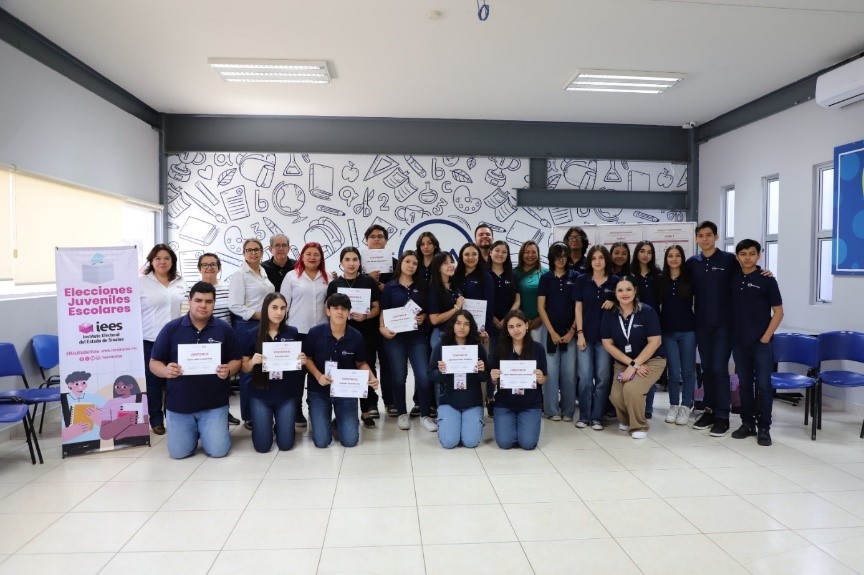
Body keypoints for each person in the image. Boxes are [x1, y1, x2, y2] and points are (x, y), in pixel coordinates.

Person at [686, 221, 771, 437]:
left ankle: (723, 416)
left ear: (716, 236)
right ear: (696, 238)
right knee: (706, 369)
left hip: (724, 326)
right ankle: (709, 411)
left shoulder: (728, 260)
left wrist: (764, 273)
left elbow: (747, 271)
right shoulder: (692, 263)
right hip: (702, 324)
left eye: (709, 235)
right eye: (700, 235)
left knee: (719, 369)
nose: (704, 239)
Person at [149, 281, 242, 459]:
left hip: (214, 404)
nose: (203, 305)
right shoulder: (171, 328)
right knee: (179, 453)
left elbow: (237, 359)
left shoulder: (224, 329)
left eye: (208, 301)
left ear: (214, 303)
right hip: (180, 405)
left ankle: (208, 430)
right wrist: (166, 370)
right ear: (189, 301)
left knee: (218, 451)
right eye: (198, 300)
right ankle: (194, 432)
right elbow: (154, 362)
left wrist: (229, 369)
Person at [302, 293, 379, 448]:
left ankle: (340, 420)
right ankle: (323, 419)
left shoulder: (356, 336)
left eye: (344, 309)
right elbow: (307, 359)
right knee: (322, 442)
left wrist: (371, 376)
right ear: (328, 311)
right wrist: (318, 376)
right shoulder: (315, 333)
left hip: (346, 391)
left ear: (349, 312)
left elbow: (361, 363)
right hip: (319, 391)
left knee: (350, 441)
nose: (340, 312)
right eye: (335, 308)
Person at [729, 239, 783, 447]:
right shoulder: (733, 277)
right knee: (744, 385)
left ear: (759, 255)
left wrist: (766, 337)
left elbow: (778, 312)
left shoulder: (767, 279)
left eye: (752, 253)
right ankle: (747, 423)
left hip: (761, 343)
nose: (747, 258)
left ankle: (764, 428)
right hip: (739, 342)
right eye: (743, 254)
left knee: (763, 385)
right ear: (737, 257)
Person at [601, 276, 667, 440]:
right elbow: (608, 344)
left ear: (635, 291)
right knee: (615, 396)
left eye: (628, 289)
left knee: (632, 389)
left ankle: (639, 425)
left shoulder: (647, 311)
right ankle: (626, 420)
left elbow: (655, 341)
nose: (625, 293)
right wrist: (632, 364)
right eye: (620, 290)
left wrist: (635, 365)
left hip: (651, 360)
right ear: (615, 293)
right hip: (624, 362)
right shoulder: (610, 314)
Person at [241, 292, 306, 452]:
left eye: (283, 308)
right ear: (266, 309)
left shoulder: (292, 332)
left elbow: (297, 362)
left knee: (286, 445)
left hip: (286, 394)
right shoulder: (252, 334)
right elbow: (244, 367)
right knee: (262, 447)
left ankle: (281, 427)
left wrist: (301, 359)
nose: (279, 312)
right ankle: (265, 426)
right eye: (274, 308)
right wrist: (252, 362)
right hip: (260, 394)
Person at [327, 247, 381, 427]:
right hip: (341, 334)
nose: (351, 263)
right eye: (347, 259)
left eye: (355, 259)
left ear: (360, 262)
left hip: (366, 333)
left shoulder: (368, 281)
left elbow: (376, 307)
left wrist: (366, 316)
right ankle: (340, 413)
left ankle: (366, 411)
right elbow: (328, 309)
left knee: (365, 368)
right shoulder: (334, 284)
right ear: (341, 262)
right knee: (341, 370)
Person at [380, 251, 433, 431]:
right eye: (408, 261)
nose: (411, 265)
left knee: (423, 377)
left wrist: (423, 317)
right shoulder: (390, 286)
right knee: (398, 377)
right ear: (401, 263)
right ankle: (402, 413)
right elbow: (383, 312)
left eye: (415, 263)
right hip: (395, 338)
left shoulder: (423, 285)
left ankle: (425, 415)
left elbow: (428, 311)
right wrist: (382, 329)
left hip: (417, 337)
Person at [229, 238, 275, 430]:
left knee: (263, 368)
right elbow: (234, 305)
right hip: (248, 325)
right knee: (248, 371)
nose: (253, 253)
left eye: (256, 249)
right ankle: (248, 415)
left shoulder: (262, 272)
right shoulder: (240, 275)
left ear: (262, 252)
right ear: (244, 253)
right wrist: (259, 315)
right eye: (249, 250)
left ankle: (262, 411)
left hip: (264, 325)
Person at [140, 243, 186, 435]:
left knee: (174, 379)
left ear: (172, 261)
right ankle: (156, 420)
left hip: (175, 339)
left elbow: (185, 307)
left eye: (166, 258)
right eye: (158, 258)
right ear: (151, 261)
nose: (162, 262)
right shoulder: (141, 283)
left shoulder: (180, 281)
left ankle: (173, 417)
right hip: (150, 338)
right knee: (153, 382)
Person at [428, 311, 488, 448]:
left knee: (471, 442)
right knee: (449, 442)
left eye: (466, 324)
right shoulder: (442, 346)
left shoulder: (477, 347)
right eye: (458, 323)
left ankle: (466, 423)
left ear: (471, 327)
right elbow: (431, 374)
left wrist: (482, 370)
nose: (462, 327)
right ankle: (451, 423)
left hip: (472, 401)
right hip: (449, 400)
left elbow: (485, 377)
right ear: (453, 326)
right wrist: (441, 372)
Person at [489, 310, 547, 450]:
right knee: (505, 443)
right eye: (511, 327)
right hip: (505, 403)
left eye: (519, 325)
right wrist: (493, 377)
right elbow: (494, 380)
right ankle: (512, 425)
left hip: (530, 404)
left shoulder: (538, 349)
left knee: (528, 443)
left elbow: (544, 378)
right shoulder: (499, 349)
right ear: (507, 330)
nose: (516, 330)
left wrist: (541, 378)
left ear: (526, 326)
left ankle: (522, 426)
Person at [574, 245, 617, 430]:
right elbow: (578, 308)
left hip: (606, 340)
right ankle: (584, 416)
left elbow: (625, 301)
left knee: (602, 378)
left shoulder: (614, 281)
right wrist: (580, 333)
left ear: (606, 260)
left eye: (601, 257)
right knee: (585, 377)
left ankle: (597, 417)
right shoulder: (582, 280)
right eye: (594, 258)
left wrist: (614, 301)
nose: (597, 261)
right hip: (585, 336)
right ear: (589, 261)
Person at [196, 252, 239, 425]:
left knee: (223, 377)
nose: (209, 268)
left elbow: (233, 314)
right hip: (199, 341)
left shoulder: (228, 289)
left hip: (223, 339)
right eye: (205, 265)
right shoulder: (192, 290)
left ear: (219, 268)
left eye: (213, 264)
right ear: (199, 268)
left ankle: (224, 412)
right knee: (202, 379)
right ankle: (201, 412)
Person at [537, 242, 578, 421]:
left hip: (571, 333)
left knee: (569, 372)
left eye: (563, 256)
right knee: (551, 372)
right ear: (551, 258)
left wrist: (572, 332)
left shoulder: (576, 277)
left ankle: (568, 411)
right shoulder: (546, 278)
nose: (560, 260)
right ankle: (551, 410)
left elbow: (579, 307)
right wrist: (552, 331)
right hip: (550, 331)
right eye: (557, 256)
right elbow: (541, 307)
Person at [658, 245, 697, 426]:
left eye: (677, 255)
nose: (674, 259)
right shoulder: (661, 280)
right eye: (670, 256)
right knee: (673, 371)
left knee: (688, 371)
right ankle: (674, 405)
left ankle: (686, 405)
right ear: (666, 259)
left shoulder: (690, 279)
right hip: (668, 332)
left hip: (688, 330)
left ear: (682, 258)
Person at [364, 224, 397, 416]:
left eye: (380, 236)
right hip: (365, 323)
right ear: (366, 241)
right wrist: (366, 279)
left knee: (388, 363)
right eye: (372, 236)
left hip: (389, 321)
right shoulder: (358, 262)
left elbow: (402, 289)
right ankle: (371, 403)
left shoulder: (395, 263)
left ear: (386, 241)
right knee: (367, 362)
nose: (376, 239)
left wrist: (386, 287)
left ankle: (391, 401)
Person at [487, 240, 521, 415]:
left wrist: (507, 318)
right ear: (490, 252)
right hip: (490, 326)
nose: (500, 254)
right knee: (491, 361)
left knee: (507, 361)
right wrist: (492, 317)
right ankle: (490, 398)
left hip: (509, 326)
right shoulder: (484, 273)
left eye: (504, 252)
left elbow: (517, 299)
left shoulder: (512, 274)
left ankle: (505, 396)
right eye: (497, 250)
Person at [630, 240, 661, 418]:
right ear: (637, 253)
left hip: (652, 326)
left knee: (649, 366)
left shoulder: (658, 275)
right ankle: (634, 405)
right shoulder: (630, 274)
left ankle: (648, 407)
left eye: (649, 252)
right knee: (634, 364)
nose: (645, 255)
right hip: (632, 326)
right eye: (642, 251)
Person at [453, 242, 494, 341]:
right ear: (461, 256)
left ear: (479, 256)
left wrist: (486, 329)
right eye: (467, 254)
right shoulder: (454, 275)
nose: (470, 257)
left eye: (474, 254)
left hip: (477, 327)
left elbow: (489, 305)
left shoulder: (486, 277)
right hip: (456, 326)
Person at [427, 251, 464, 353]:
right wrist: (456, 308)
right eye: (445, 263)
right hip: (441, 335)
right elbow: (434, 319)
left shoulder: (454, 286)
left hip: (457, 335)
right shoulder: (433, 289)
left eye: (451, 262)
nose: (450, 265)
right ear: (438, 268)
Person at [60, 371, 106, 455]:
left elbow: (108, 418)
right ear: (70, 384)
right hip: (73, 442)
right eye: (77, 384)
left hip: (95, 439)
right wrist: (69, 432)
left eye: (83, 383)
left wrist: (99, 418)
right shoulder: (65, 399)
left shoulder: (95, 398)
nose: (81, 386)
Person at [99, 375, 150, 448]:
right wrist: (127, 419)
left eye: (123, 386)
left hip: (141, 439)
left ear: (131, 386)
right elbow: (104, 434)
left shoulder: (142, 398)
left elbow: (145, 425)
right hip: (119, 442)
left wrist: (119, 427)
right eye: (117, 387)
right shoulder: (110, 403)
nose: (120, 388)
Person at [513, 240, 547, 343]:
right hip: (519, 322)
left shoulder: (545, 273)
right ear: (521, 254)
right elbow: (511, 299)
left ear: (538, 254)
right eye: (527, 252)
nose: (530, 255)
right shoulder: (513, 273)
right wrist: (522, 319)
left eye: (533, 252)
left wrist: (540, 318)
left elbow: (551, 299)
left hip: (542, 323)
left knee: (540, 351)